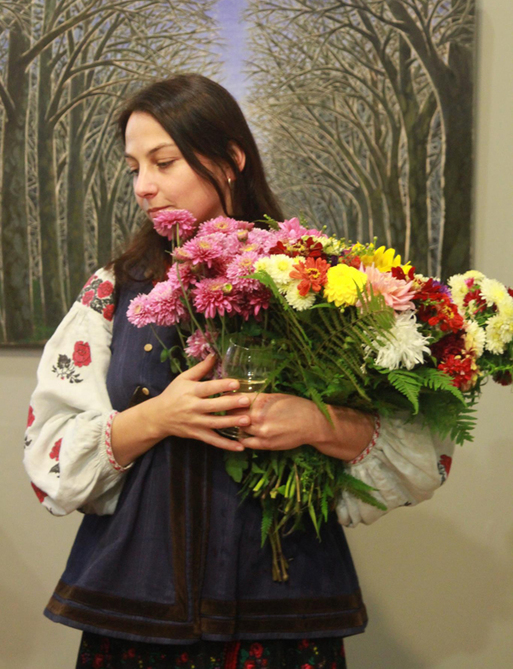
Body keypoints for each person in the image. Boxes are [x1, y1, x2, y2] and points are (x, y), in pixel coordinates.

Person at [24, 74, 454, 669]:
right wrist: (158, 417)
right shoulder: (114, 290)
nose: (144, 186)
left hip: (285, 618)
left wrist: (315, 422)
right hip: (137, 616)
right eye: (134, 168)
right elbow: (50, 452)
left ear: (230, 159)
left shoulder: (322, 280)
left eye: (163, 162)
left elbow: (422, 452)